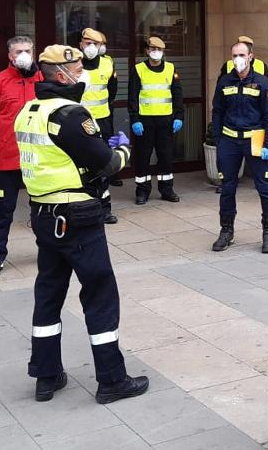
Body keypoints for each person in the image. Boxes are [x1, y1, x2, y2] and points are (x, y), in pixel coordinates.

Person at [16, 44, 149, 405]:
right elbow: (105, 163)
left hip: (44, 215)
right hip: (77, 216)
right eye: (77, 67)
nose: (82, 72)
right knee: (99, 293)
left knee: (48, 294)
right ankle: (111, 379)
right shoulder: (70, 115)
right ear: (61, 75)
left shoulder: (29, 111)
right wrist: (121, 151)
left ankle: (46, 375)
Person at [0, 36, 42, 279]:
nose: (23, 54)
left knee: (43, 209)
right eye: (19, 51)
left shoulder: (42, 79)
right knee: (4, 210)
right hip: (8, 160)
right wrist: (2, 137)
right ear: (10, 56)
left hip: (37, 158)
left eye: (28, 50)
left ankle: (48, 252)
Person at [210, 41, 268, 253]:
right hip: (229, 141)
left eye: (241, 54)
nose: (238, 59)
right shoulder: (224, 81)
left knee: (264, 188)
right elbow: (217, 111)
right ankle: (226, 231)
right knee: (227, 188)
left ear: (251, 57)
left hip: (254, 140)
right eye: (234, 55)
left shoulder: (262, 83)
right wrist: (218, 141)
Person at [128, 36, 183, 205]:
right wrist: (135, 119)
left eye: (159, 50)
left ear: (163, 52)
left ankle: (166, 189)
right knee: (143, 157)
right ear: (147, 51)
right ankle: (142, 191)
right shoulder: (138, 69)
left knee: (166, 156)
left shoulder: (170, 68)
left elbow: (177, 94)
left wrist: (179, 116)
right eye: (153, 49)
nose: (156, 53)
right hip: (144, 122)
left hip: (166, 121)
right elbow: (133, 96)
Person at [77, 28, 123, 221]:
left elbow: (112, 91)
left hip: (102, 120)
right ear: (80, 44)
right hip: (79, 122)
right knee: (81, 165)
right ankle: (82, 207)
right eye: (87, 43)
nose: (91, 47)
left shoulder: (108, 63)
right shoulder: (73, 64)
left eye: (95, 44)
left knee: (102, 163)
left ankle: (105, 209)